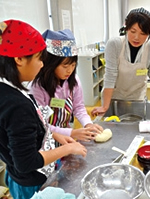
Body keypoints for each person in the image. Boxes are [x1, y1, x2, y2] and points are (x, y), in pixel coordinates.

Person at [0, 19, 87, 199]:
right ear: (19, 59)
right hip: (29, 182)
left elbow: (20, 131)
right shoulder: (16, 104)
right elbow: (26, 162)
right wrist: (66, 150)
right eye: (40, 58)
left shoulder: (9, 88)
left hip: (20, 175)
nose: (42, 65)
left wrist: (54, 134)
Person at [91, 7, 150, 116]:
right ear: (126, 28)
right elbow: (110, 75)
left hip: (137, 99)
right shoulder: (114, 44)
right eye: (133, 31)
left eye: (143, 33)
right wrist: (105, 106)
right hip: (113, 98)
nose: (137, 38)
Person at [30, 29, 103, 142]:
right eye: (65, 66)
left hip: (66, 138)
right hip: (45, 139)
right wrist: (72, 132)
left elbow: (78, 108)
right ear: (51, 64)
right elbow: (41, 124)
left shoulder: (73, 81)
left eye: (73, 65)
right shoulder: (38, 87)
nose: (69, 70)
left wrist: (88, 124)